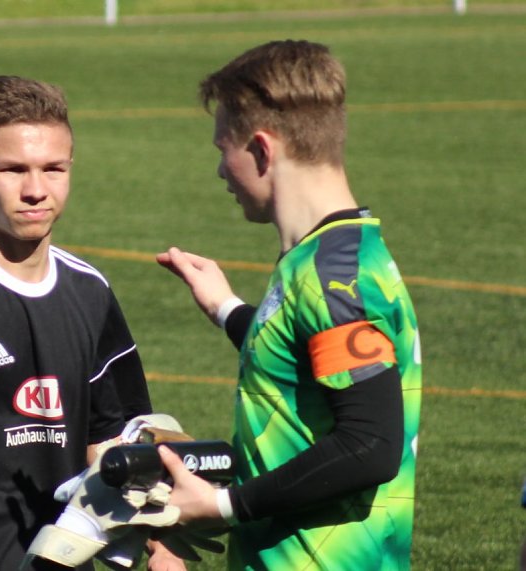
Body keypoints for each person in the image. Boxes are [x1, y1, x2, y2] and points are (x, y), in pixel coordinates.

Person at [0, 75, 184, 570]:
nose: (36, 190)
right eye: (13, 169)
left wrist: (159, 544)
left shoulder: (90, 291)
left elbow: (110, 441)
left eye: (53, 169)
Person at [154, 40, 423, 570]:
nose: (221, 171)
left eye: (223, 149)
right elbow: (309, 361)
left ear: (261, 150)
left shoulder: (334, 278)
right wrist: (227, 309)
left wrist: (223, 504)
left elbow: (371, 444)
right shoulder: (331, 255)